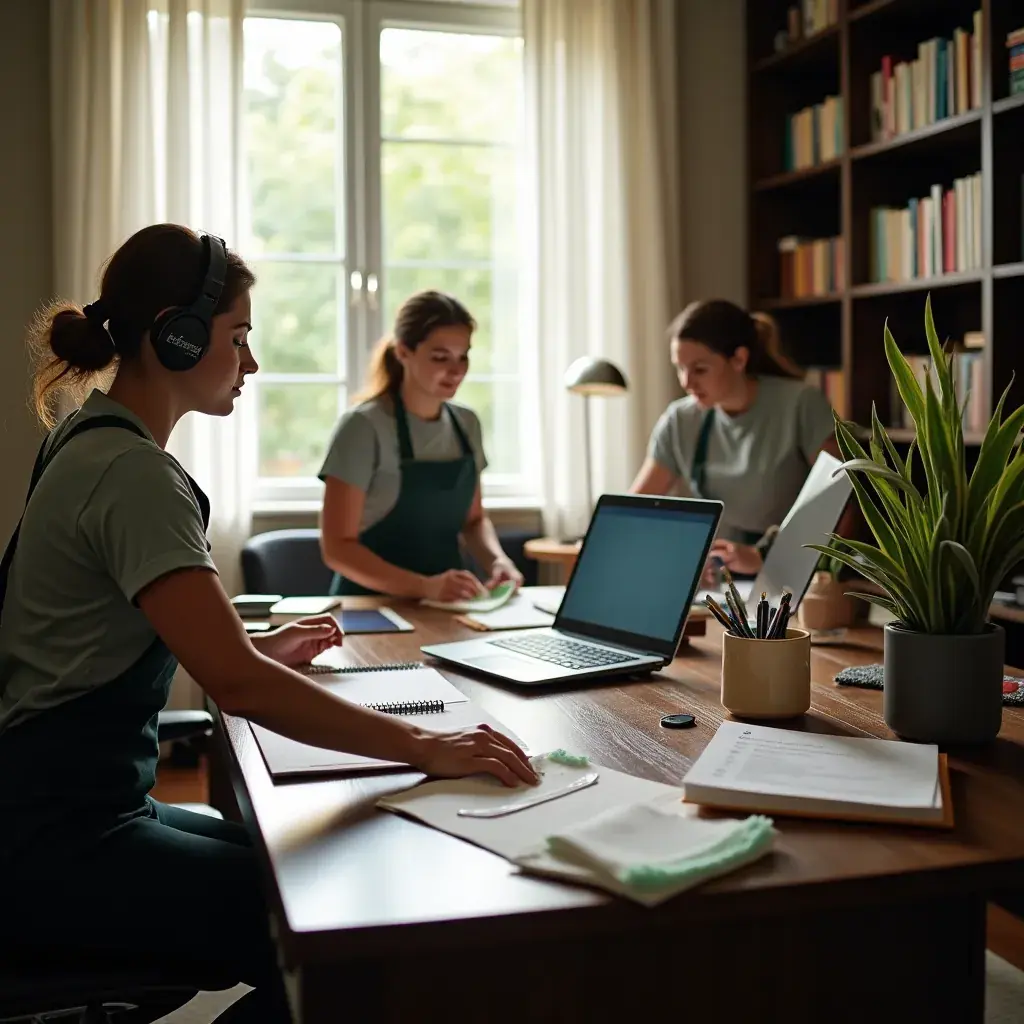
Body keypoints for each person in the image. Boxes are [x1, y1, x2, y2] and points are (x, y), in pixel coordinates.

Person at [0, 226, 536, 1023]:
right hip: (63, 839)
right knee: (338, 935)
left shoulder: (87, 438)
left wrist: (252, 647)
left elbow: (139, 643)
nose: (251, 364)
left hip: (67, 807)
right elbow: (237, 685)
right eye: (239, 338)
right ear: (176, 338)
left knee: (285, 865)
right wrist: (426, 745)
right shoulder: (134, 474)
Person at [319, 290, 524, 601]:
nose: (456, 370)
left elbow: (474, 520)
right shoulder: (362, 427)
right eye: (440, 357)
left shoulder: (467, 423)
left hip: (450, 606)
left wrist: (498, 561)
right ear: (404, 352)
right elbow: (337, 548)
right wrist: (425, 586)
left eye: (463, 356)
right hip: (369, 608)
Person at [631, 298, 839, 579]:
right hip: (720, 582)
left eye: (699, 369)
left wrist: (763, 557)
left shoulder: (801, 404)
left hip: (792, 576)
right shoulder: (680, 420)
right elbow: (636, 511)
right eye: (680, 368)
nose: (686, 383)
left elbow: (839, 501)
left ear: (739, 359)